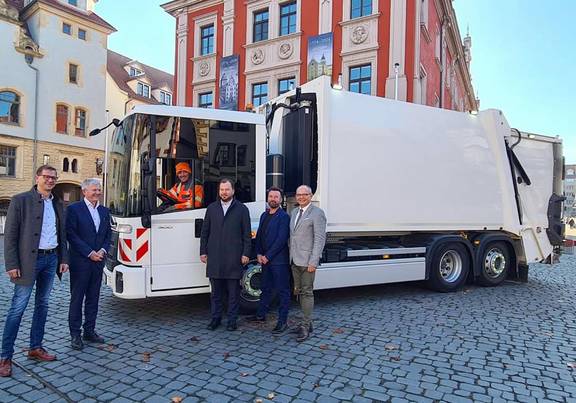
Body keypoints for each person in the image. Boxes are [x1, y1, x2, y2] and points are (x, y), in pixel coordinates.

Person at [0, 165, 69, 377]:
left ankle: (35, 347)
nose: (50, 180)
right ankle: (5, 357)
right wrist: (11, 264)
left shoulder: (57, 202)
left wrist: (63, 258)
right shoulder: (20, 200)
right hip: (28, 262)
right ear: (37, 177)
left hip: (51, 260)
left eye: (53, 178)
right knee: (18, 308)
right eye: (46, 177)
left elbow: (62, 233)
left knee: (43, 305)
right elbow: (10, 235)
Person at [66, 178, 112, 350]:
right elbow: (71, 234)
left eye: (99, 190)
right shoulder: (73, 209)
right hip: (80, 262)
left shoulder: (104, 211)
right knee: (77, 299)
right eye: (94, 190)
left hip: (98, 262)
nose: (97, 193)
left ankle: (89, 331)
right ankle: (75, 335)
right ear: (84, 191)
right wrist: (89, 252)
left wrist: (102, 251)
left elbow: (108, 235)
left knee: (93, 298)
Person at [200, 178, 251, 331]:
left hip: (234, 258)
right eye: (222, 190)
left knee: (233, 294)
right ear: (219, 191)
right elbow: (205, 232)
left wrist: (246, 253)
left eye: (227, 189)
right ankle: (215, 319)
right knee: (215, 293)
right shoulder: (211, 208)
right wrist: (203, 251)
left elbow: (246, 235)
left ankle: (232, 321)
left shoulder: (242, 209)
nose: (224, 192)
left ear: (233, 191)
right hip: (215, 257)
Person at [247, 187, 291, 334]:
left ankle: (282, 322)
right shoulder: (263, 215)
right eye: (271, 196)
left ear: (280, 200)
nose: (273, 199)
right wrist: (259, 253)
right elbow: (259, 236)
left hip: (278, 261)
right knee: (265, 288)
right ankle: (260, 315)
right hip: (264, 259)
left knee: (282, 291)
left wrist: (267, 256)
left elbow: (281, 239)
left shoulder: (284, 217)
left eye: (276, 197)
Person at [290, 185, 327, 342]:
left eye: (305, 194)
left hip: (307, 262)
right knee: (298, 292)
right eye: (299, 194)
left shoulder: (317, 213)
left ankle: (305, 325)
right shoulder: (293, 212)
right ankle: (307, 322)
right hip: (294, 260)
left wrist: (314, 261)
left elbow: (319, 239)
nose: (301, 197)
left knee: (307, 292)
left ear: (311, 196)